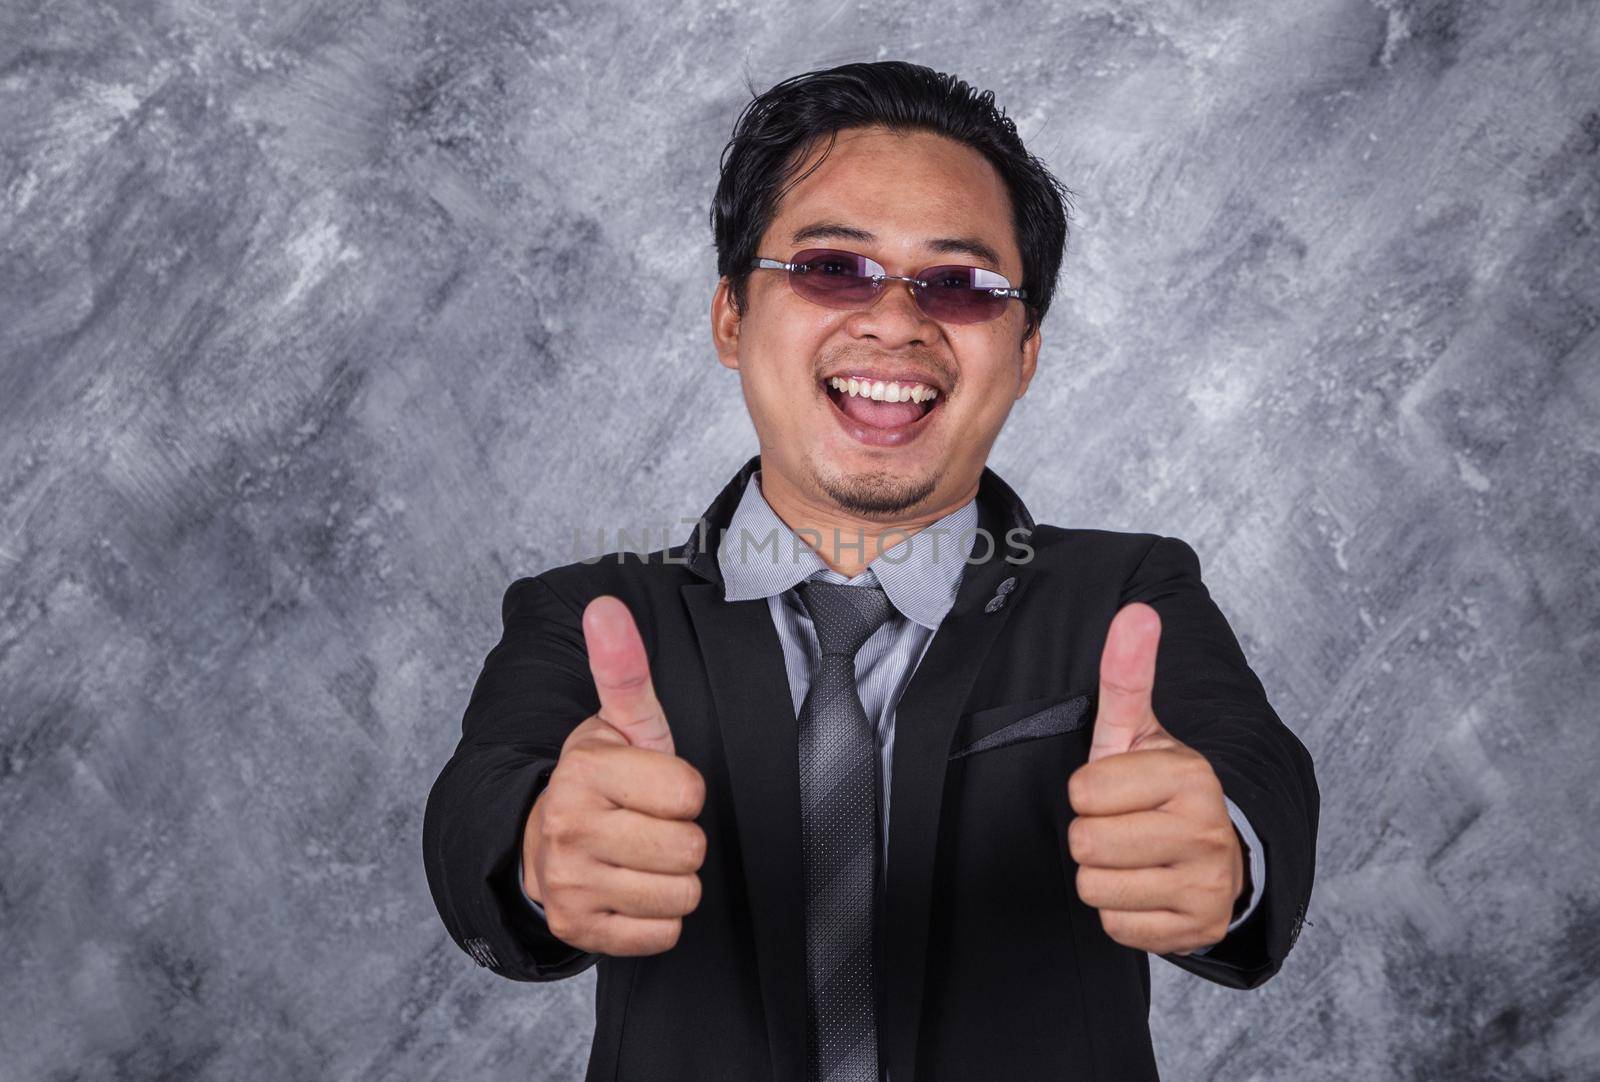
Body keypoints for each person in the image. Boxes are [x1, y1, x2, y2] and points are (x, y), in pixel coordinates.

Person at [422, 60, 1319, 1082]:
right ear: (731, 317)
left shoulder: (1125, 596)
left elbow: (1256, 771)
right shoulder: (592, 612)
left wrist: (1227, 855)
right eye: (830, 268)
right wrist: (539, 853)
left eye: (962, 285)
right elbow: (476, 804)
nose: (895, 321)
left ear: (1025, 353)